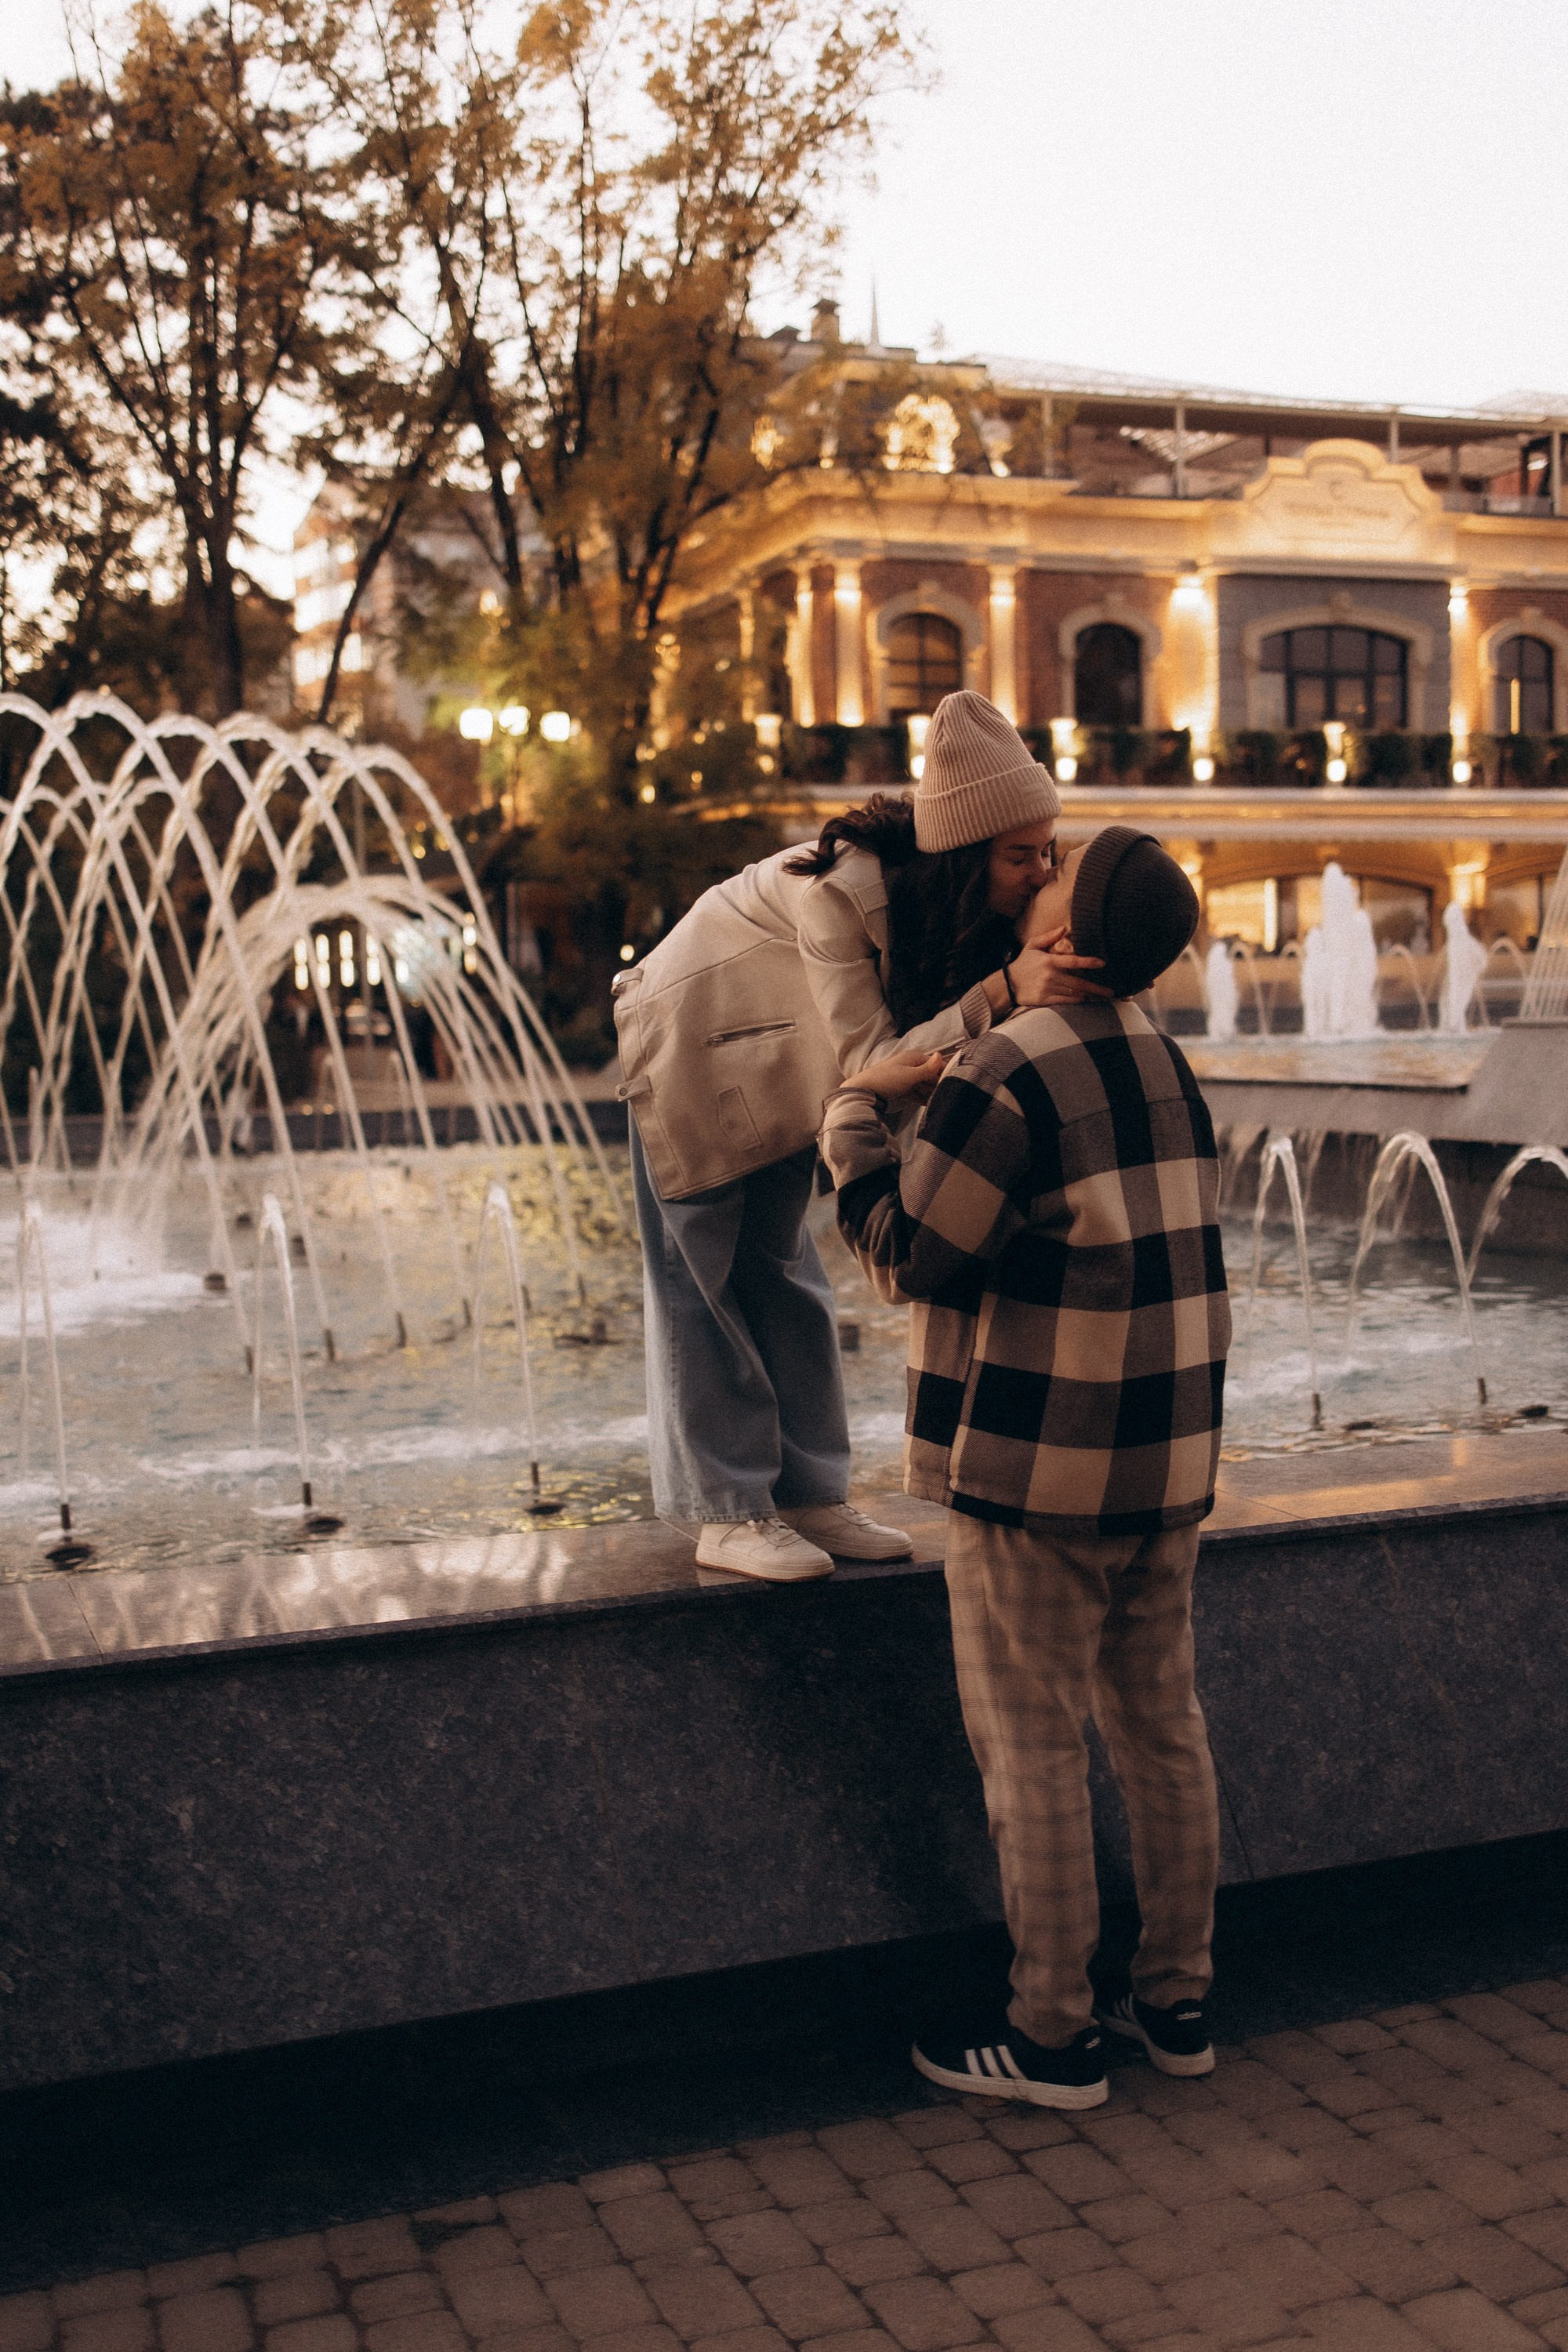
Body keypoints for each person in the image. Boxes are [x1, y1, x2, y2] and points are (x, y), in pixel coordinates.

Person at [822, 826, 1231, 2108]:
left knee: (1036, 1749)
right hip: (1164, 1466)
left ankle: (1053, 2032)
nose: (1035, 875)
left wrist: (855, 1117)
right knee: (1163, 1727)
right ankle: (1178, 1999)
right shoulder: (1168, 1065)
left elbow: (907, 1254)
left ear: (1069, 937)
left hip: (1037, 1476)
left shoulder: (1010, 1069)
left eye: (1053, 874)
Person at [613, 691, 1108, 1584]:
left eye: (1046, 850)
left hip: (780, 1061)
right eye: (1018, 856)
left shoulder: (961, 906)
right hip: (685, 1042)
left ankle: (809, 1495)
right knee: (700, 1283)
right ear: (961, 852)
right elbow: (875, 1062)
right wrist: (1003, 989)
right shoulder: (836, 891)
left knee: (784, 1272)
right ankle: (726, 1514)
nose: (1038, 873)